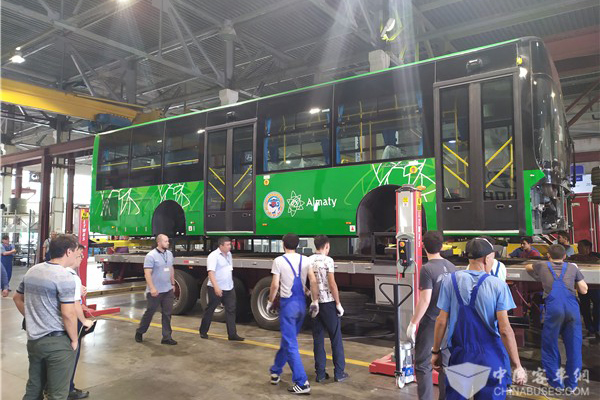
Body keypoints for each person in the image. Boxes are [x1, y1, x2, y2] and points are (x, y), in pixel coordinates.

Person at [432, 237, 527, 399]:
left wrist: (435, 351)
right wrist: (517, 365)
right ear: (486, 258)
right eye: (492, 256)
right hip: (490, 356)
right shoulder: (498, 285)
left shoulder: (450, 280)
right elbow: (505, 330)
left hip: (461, 355)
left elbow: (441, 320)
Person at [13, 234, 79, 400]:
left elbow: (17, 298)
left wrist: (33, 318)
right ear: (68, 252)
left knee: (34, 389)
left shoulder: (33, 270)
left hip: (34, 341)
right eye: (76, 251)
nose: (78, 254)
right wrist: (74, 339)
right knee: (57, 394)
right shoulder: (65, 277)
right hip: (57, 343)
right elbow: (68, 313)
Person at [525, 244, 588, 390]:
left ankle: (555, 383)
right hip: (572, 309)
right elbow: (584, 290)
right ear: (565, 256)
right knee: (574, 347)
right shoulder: (572, 267)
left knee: (550, 346)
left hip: (554, 309)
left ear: (548, 255)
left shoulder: (541, 265)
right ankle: (572, 384)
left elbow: (528, 267)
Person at [267, 233, 319, 395]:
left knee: (291, 344)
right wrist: (315, 301)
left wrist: (269, 302)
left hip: (288, 306)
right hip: (301, 305)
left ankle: (302, 382)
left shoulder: (279, 261)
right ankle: (276, 371)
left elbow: (275, 284)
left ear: (283, 244)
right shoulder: (306, 260)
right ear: (298, 244)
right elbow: (313, 281)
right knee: (287, 340)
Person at [407, 231, 456, 400]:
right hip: (450, 323)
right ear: (442, 246)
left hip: (431, 323)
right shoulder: (452, 267)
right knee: (446, 365)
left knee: (423, 365)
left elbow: (425, 300)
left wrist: (413, 323)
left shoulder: (427, 269)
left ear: (422, 246)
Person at [308, 235, 348, 383]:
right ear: (326, 246)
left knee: (318, 339)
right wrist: (338, 303)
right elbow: (332, 284)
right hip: (328, 304)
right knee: (335, 338)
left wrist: (313, 299)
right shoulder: (328, 261)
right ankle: (339, 372)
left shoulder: (309, 260)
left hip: (315, 304)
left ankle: (320, 374)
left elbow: (309, 283)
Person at [135, 234, 177, 345]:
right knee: (150, 312)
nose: (168, 243)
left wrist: (172, 283)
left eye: (168, 241)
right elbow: (147, 273)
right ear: (159, 242)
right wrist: (152, 288)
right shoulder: (151, 256)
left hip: (167, 289)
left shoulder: (169, 254)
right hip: (155, 291)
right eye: (165, 241)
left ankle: (166, 337)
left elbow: (171, 269)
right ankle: (140, 331)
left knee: (167, 314)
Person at [199, 237, 244, 341]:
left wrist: (231, 285)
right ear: (221, 246)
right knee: (210, 309)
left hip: (229, 287)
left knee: (231, 310)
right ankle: (203, 331)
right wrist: (216, 287)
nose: (230, 246)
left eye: (230, 244)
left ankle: (232, 334)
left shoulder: (229, 255)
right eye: (227, 245)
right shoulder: (213, 256)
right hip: (216, 288)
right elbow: (211, 272)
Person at [66, 244, 94, 399]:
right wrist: (84, 321)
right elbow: (73, 304)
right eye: (80, 255)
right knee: (71, 356)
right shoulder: (71, 276)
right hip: (70, 322)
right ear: (69, 252)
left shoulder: (47, 271)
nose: (82, 258)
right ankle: (68, 389)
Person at [570, 239, 600, 340]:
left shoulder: (596, 256)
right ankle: (590, 329)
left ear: (588, 248)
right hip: (582, 285)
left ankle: (597, 329)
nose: (578, 248)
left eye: (580, 246)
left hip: (595, 287)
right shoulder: (575, 257)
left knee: (598, 307)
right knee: (584, 308)